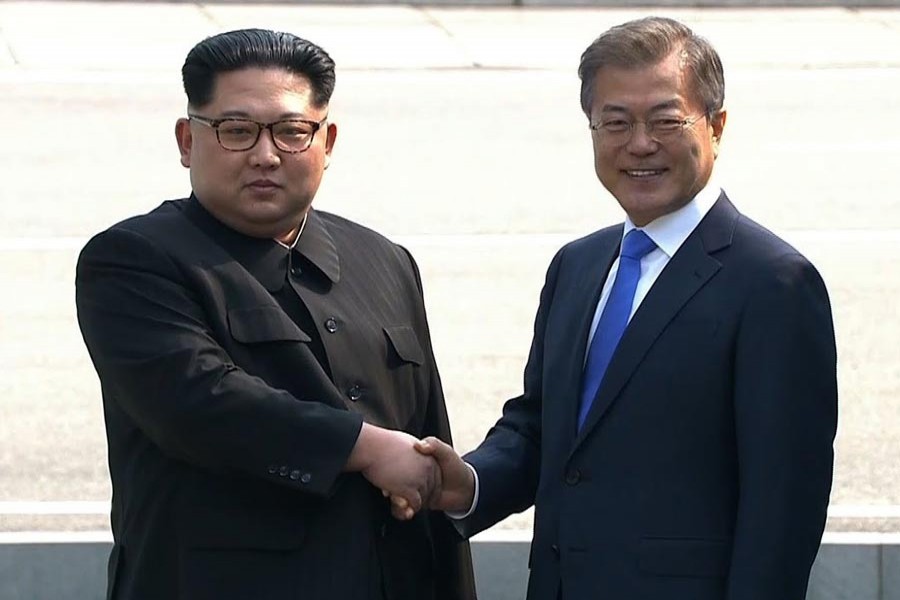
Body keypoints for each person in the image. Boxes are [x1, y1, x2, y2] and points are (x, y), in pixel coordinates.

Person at [401, 16, 838, 600]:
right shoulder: (578, 266)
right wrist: (470, 481)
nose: (639, 144)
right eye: (616, 122)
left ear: (717, 127)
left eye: (665, 120)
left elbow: (782, 510)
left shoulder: (774, 284)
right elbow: (541, 428)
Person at [75, 28, 475, 600]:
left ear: (328, 141)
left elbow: (428, 443)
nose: (266, 155)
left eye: (292, 132)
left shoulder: (383, 260)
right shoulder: (135, 260)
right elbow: (198, 403)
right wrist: (365, 447)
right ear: (188, 140)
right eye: (237, 131)